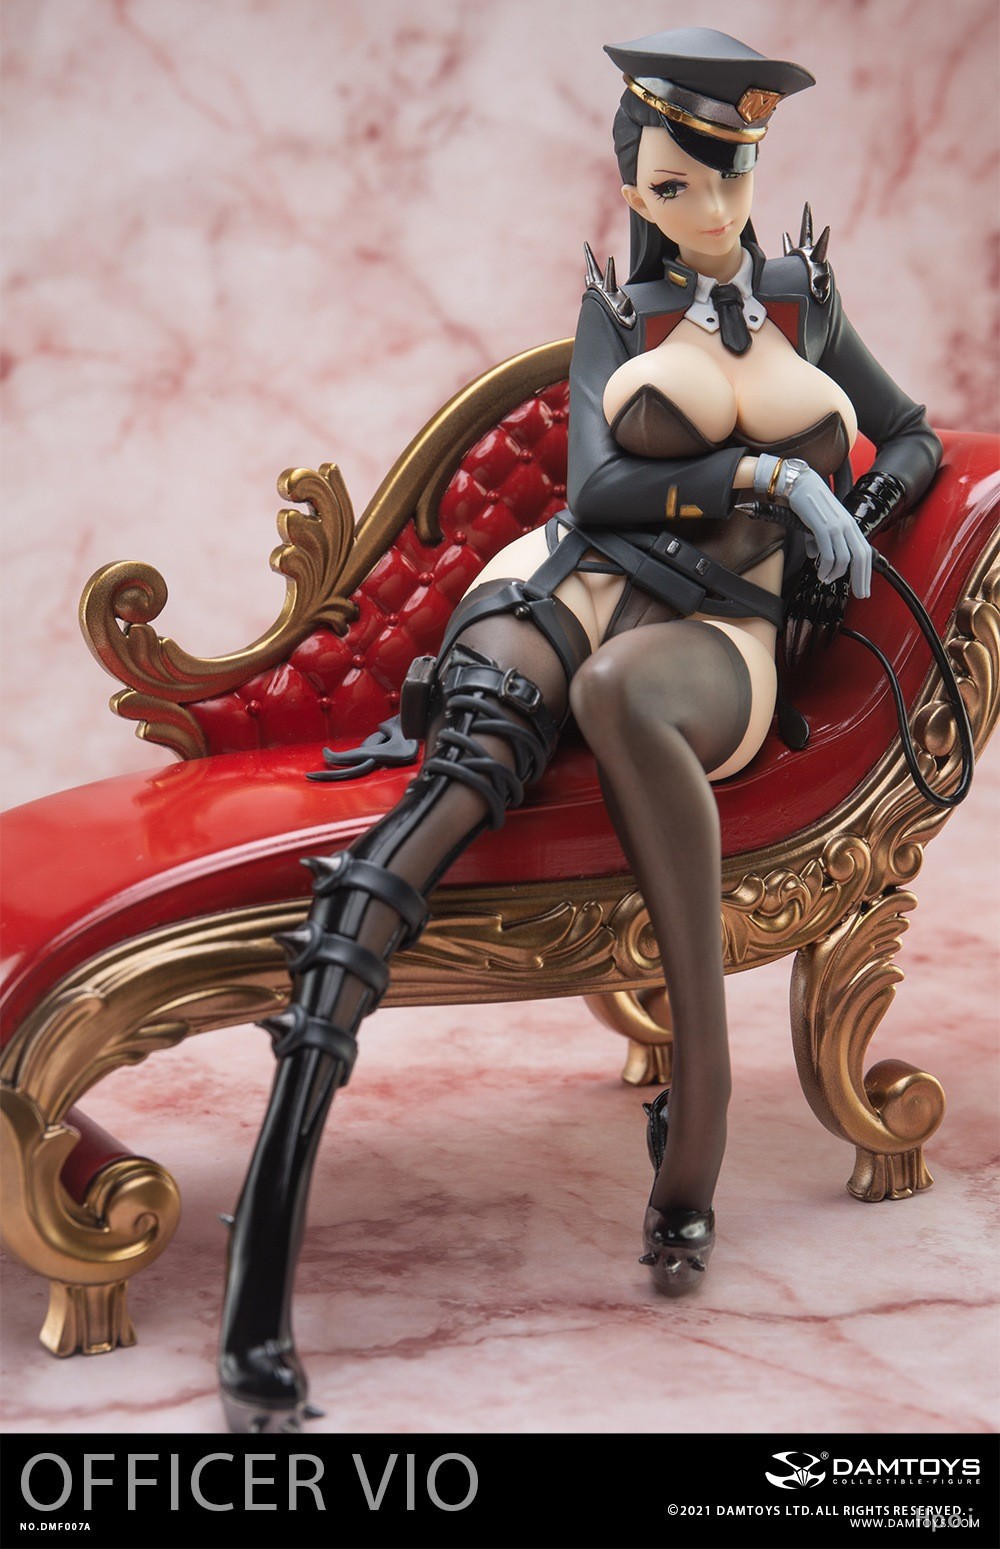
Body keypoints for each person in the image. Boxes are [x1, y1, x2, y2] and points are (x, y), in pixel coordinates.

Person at [218, 27, 942, 1432]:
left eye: (730, 179)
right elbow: (599, 491)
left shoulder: (801, 299)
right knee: (439, 802)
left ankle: (702, 1095)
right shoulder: (623, 309)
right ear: (634, 186)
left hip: (718, 634)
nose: (710, 211)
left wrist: (855, 502)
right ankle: (265, 1247)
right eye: (676, 185)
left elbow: (909, 430)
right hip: (572, 578)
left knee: (617, 694)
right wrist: (764, 478)